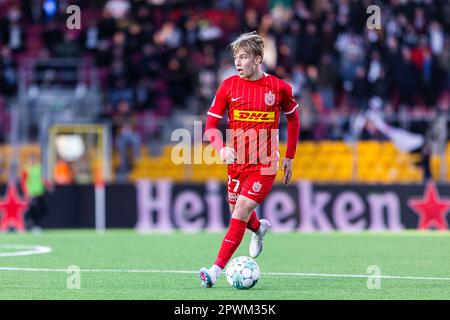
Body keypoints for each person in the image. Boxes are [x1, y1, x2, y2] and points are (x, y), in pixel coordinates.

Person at [199, 32, 301, 288]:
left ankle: (215, 270)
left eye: (243, 57)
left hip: (265, 163)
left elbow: (294, 118)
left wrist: (289, 156)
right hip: (236, 161)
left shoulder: (279, 88)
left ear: (258, 59)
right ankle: (259, 228)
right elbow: (210, 125)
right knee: (236, 212)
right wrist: (221, 148)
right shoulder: (228, 86)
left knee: (242, 209)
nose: (238, 62)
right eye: (236, 57)